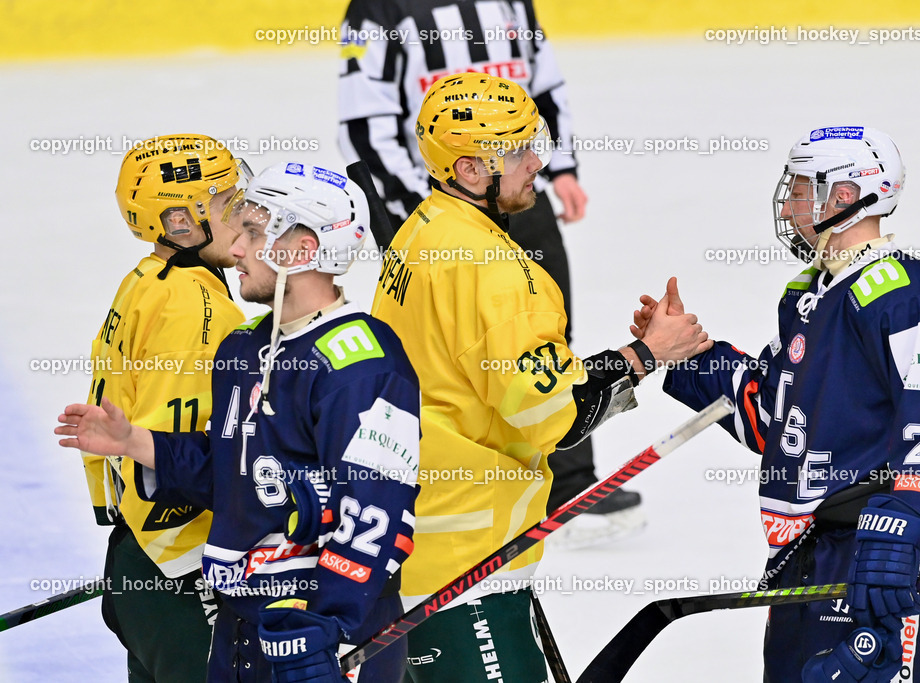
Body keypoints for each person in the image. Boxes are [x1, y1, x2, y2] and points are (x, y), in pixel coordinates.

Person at [370, 72, 711, 683]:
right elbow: (556, 415)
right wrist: (646, 353)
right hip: (470, 556)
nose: (536, 162)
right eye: (519, 150)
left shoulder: (421, 231)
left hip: (415, 533)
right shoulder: (499, 273)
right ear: (471, 170)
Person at [632, 126, 920, 682]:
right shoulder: (809, 294)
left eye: (802, 189)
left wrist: (901, 528)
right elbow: (773, 418)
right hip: (805, 555)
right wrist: (685, 354)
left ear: (844, 197)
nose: (790, 202)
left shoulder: (910, 293)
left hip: (874, 555)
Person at [60, 162, 421, 683]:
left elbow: (375, 510)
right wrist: (134, 441)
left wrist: (327, 626)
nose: (234, 249)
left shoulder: (362, 364)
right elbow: (235, 478)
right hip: (242, 622)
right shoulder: (243, 349)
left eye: (253, 233)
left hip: (324, 630)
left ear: (302, 249)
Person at [336, 0, 641, 546]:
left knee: (539, 336)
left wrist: (562, 166)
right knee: (456, 345)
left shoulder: (511, 2)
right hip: (451, 198)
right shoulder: (379, 8)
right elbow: (364, 121)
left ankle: (568, 484)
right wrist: (428, 208)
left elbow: (543, 83)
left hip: (497, 191)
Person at [80, 133, 247, 682]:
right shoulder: (194, 309)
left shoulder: (145, 282)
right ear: (180, 223)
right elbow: (167, 464)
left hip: (141, 557)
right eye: (228, 203)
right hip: (181, 567)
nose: (245, 213)